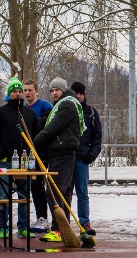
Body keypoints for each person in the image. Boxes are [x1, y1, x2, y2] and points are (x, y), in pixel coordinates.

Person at [34, 77, 85, 242]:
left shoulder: (67, 104)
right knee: (63, 193)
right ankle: (64, 229)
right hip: (59, 152)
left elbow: (53, 127)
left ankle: (57, 230)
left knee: (54, 192)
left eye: (57, 89)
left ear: (63, 89)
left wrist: (35, 142)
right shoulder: (64, 104)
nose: (54, 93)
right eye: (51, 90)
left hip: (63, 151)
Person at [0, 77, 40, 238]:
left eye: (19, 91)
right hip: (6, 161)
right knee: (3, 196)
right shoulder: (2, 112)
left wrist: (34, 156)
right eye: (14, 91)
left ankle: (23, 226)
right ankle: (3, 226)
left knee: (24, 195)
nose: (17, 94)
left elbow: (36, 137)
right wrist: (2, 155)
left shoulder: (29, 114)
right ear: (9, 94)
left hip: (25, 161)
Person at [69, 82, 102, 236]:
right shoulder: (67, 110)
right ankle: (63, 224)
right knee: (65, 192)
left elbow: (97, 137)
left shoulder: (91, 113)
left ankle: (84, 223)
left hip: (82, 159)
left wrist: (91, 155)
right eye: (76, 93)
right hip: (66, 158)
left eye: (80, 93)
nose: (79, 96)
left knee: (82, 192)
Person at [23, 79, 53, 233]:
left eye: (30, 90)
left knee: (38, 185)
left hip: (41, 153)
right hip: (26, 154)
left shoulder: (44, 106)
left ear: (36, 91)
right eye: (25, 90)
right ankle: (38, 216)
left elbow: (48, 125)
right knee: (30, 187)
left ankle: (44, 218)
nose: (27, 93)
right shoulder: (22, 108)